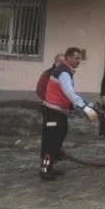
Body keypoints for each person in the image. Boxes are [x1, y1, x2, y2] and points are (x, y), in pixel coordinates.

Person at [40, 46, 98, 180]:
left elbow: (67, 95)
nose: (79, 61)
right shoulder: (63, 72)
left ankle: (50, 166)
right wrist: (85, 108)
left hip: (59, 112)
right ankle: (44, 169)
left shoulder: (66, 71)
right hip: (52, 112)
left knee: (58, 139)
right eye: (77, 58)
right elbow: (70, 93)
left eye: (80, 59)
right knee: (50, 141)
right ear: (69, 57)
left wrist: (85, 104)